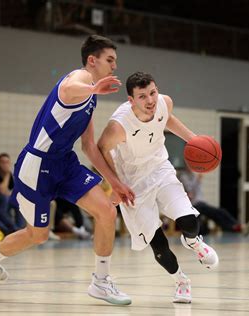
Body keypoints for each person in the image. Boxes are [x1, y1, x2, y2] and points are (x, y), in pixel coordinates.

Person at [0, 35, 135, 305]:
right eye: (110, 60)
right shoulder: (78, 80)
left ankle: (101, 282)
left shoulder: (91, 96)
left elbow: (90, 146)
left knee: (106, 211)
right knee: (39, 235)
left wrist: (114, 182)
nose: (115, 66)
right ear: (92, 61)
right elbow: (69, 89)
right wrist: (93, 90)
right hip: (38, 164)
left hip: (65, 162)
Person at [97, 71, 219, 303]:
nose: (151, 100)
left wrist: (194, 140)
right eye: (142, 96)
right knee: (159, 246)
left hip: (160, 170)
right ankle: (181, 281)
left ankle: (193, 241)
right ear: (131, 100)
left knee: (190, 222)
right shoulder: (119, 125)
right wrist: (115, 184)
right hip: (132, 184)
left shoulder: (164, 103)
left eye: (153, 93)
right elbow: (102, 148)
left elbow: (166, 118)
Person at [179, 168, 249, 236]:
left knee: (220, 213)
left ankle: (237, 227)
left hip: (200, 204)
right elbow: (191, 194)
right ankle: (237, 228)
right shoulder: (183, 176)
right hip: (193, 205)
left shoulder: (193, 175)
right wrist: (197, 181)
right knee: (216, 213)